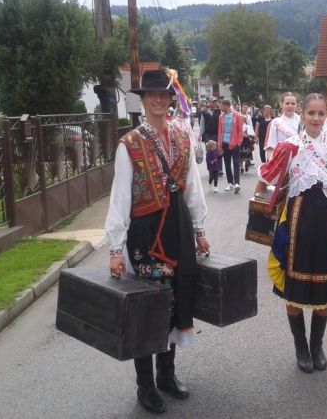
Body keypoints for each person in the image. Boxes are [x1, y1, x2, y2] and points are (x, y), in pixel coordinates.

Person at [105, 69, 211, 415]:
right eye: (151, 95)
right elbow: (119, 196)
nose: (157, 100)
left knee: (175, 297)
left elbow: (192, 186)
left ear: (169, 98)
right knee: (147, 306)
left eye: (163, 95)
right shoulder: (130, 144)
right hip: (145, 231)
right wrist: (115, 249)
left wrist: (199, 229)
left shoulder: (182, 135)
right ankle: (145, 386)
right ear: (142, 99)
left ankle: (166, 375)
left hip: (177, 226)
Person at [254, 93, 327, 374]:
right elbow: (267, 176)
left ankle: (317, 345)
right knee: (293, 288)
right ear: (302, 114)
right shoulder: (290, 146)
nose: (315, 118)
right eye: (310, 113)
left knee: (325, 287)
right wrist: (257, 203)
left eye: (320, 113)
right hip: (296, 222)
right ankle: (300, 346)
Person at [217, 99, 244, 193]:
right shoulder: (221, 117)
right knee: (227, 163)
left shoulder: (237, 115)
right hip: (224, 142)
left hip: (235, 142)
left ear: (226, 106)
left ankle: (237, 183)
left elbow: (240, 130)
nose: (220, 107)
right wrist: (219, 144)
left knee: (236, 163)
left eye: (221, 105)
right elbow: (220, 131)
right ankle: (230, 183)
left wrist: (239, 142)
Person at [264, 92, 300, 161]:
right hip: (281, 161)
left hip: (300, 162)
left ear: (297, 105)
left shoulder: (303, 122)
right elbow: (271, 147)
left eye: (293, 104)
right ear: (281, 104)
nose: (290, 106)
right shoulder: (276, 123)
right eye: (287, 103)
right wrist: (272, 164)